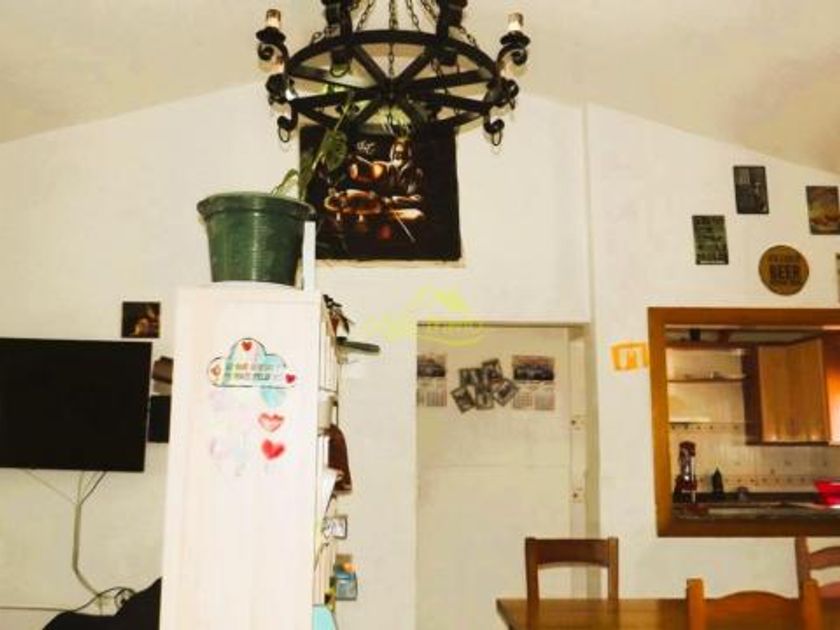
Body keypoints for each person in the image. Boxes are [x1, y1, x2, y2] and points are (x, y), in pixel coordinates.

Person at [324, 137, 425, 239]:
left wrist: (394, 200)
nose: (398, 156)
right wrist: (353, 159)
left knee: (417, 216)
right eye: (396, 152)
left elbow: (418, 199)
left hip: (391, 212)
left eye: (402, 153)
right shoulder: (382, 168)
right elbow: (365, 170)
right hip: (373, 208)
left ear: (409, 155)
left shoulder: (416, 174)